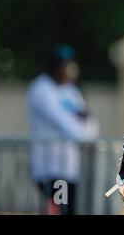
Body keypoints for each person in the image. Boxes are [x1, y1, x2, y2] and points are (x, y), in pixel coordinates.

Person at [28, 45, 99, 215]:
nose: (69, 70)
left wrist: (84, 127)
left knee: (68, 210)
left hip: (68, 168)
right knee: (59, 210)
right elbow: (67, 124)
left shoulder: (71, 90)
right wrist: (81, 125)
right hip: (50, 168)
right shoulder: (41, 89)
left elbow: (91, 126)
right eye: (64, 66)